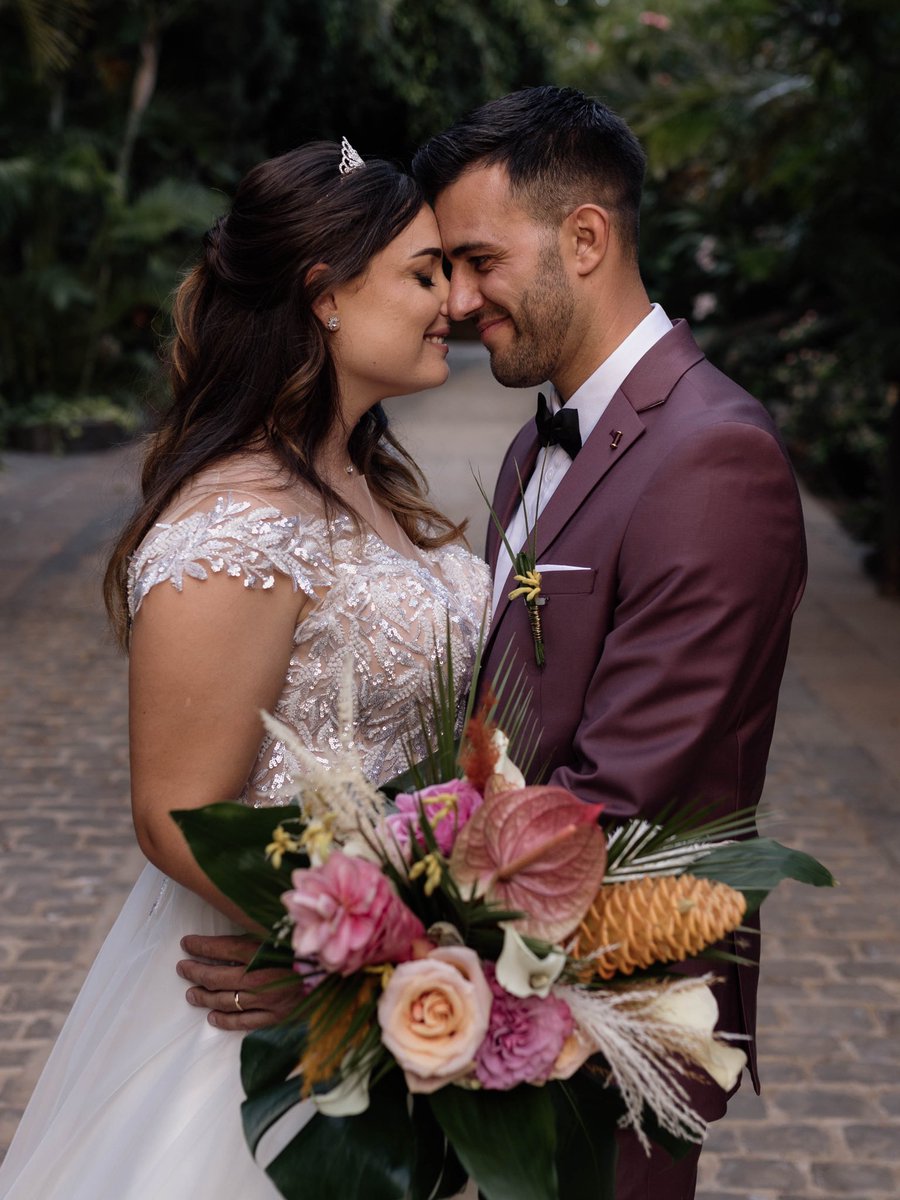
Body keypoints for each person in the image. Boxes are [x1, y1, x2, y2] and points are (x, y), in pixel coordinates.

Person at [179, 88, 806, 1198]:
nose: (459, 301)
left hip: (606, 1021)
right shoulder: (535, 447)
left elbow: (605, 809)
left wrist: (353, 970)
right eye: (439, 270)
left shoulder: (715, 459)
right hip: (480, 1022)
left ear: (585, 237)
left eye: (476, 260)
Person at [0, 140, 490, 1199]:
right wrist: (349, 964)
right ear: (324, 294)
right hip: (265, 1026)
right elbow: (176, 811)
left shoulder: (362, 478)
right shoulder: (239, 519)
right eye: (422, 272)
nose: (453, 298)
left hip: (388, 995)